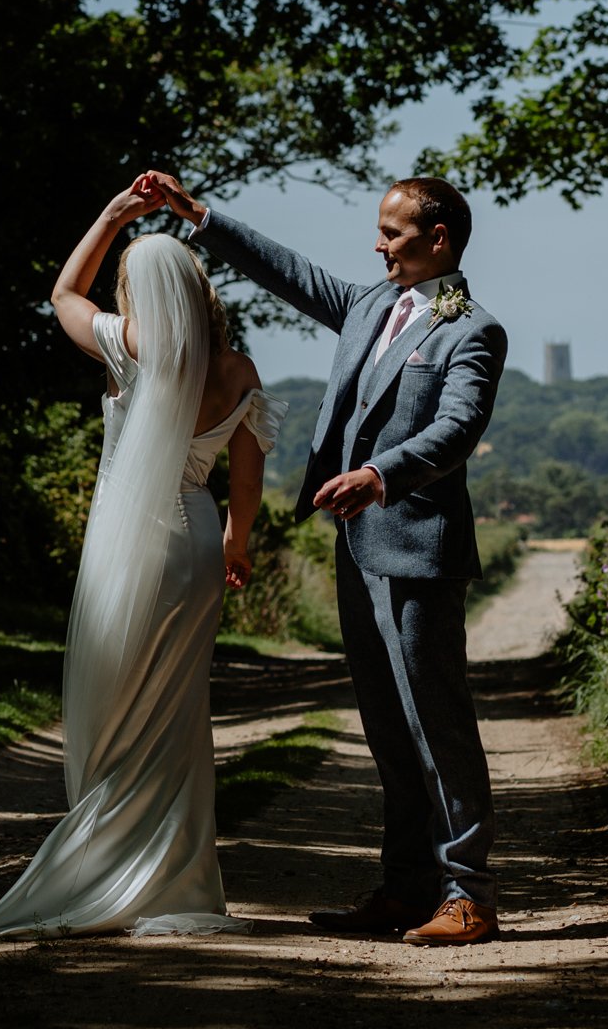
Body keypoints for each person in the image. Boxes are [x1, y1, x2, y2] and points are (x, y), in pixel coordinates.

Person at [0, 180, 280, 959]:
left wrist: (116, 214)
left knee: (114, 713)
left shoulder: (129, 344)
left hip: (131, 542)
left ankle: (106, 862)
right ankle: (176, 882)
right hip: (193, 547)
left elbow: (60, 292)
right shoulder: (238, 370)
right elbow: (244, 488)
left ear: (143, 293)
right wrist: (236, 544)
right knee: (179, 720)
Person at [142, 170, 506, 946]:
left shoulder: (471, 327)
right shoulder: (371, 304)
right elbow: (290, 272)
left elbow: (460, 426)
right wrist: (201, 216)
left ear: (437, 239)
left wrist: (382, 474)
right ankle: (409, 889)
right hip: (356, 549)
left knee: (434, 724)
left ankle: (467, 893)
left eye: (392, 232)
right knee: (386, 729)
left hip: (417, 553)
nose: (377, 244)